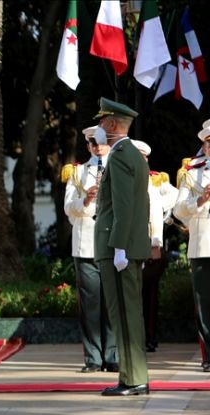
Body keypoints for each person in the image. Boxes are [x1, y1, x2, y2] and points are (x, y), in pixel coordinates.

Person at [91, 98, 151, 396]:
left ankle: (133, 378)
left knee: (125, 316)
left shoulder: (120, 156)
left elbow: (125, 208)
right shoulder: (130, 155)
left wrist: (118, 248)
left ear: (112, 124)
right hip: (123, 246)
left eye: (102, 122)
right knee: (127, 315)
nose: (99, 127)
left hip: (118, 247)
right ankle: (132, 375)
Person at [62, 126, 118, 373]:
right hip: (85, 244)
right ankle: (93, 358)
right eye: (93, 143)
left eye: (102, 142)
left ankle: (113, 355)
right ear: (88, 145)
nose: (98, 147)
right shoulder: (77, 172)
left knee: (112, 303)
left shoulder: (119, 168)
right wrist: (85, 199)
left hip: (113, 244)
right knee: (90, 304)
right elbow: (68, 208)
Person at [173, 119, 210, 372]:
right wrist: (201, 198)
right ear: (204, 146)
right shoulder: (191, 171)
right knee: (206, 304)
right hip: (203, 246)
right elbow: (179, 210)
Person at [133, 140, 178, 353]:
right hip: (127, 245)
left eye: (141, 158)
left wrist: (163, 213)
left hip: (151, 244)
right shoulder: (121, 179)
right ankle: (134, 337)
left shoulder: (156, 181)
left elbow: (175, 197)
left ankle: (149, 337)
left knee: (148, 294)